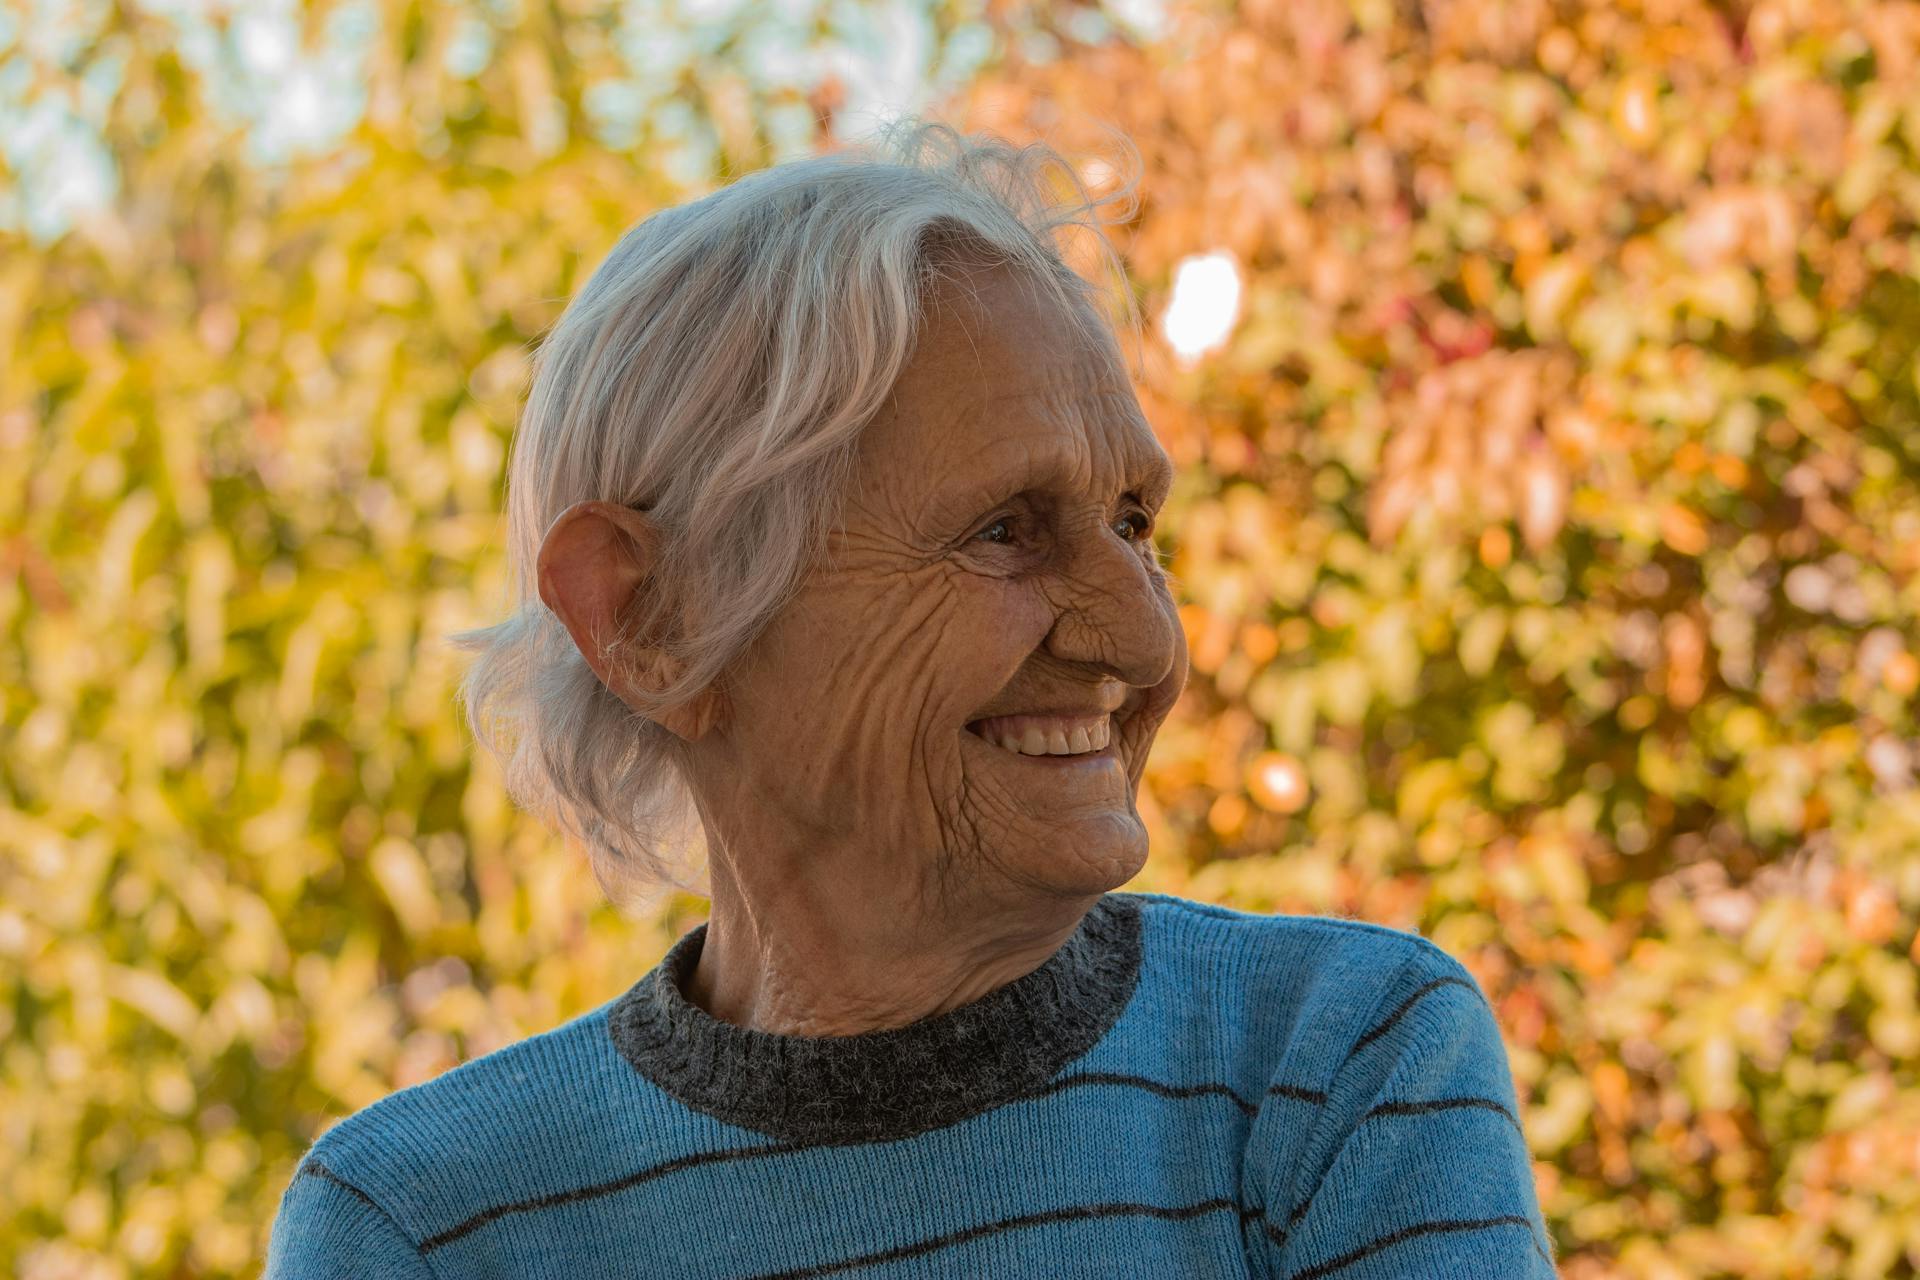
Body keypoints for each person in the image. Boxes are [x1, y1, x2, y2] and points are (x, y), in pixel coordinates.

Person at [265, 117, 1556, 1278]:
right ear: (651, 623)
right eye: (1006, 529)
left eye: (1134, 523)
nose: (1140, 636)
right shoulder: (425, 1227)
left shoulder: (1334, 1068)